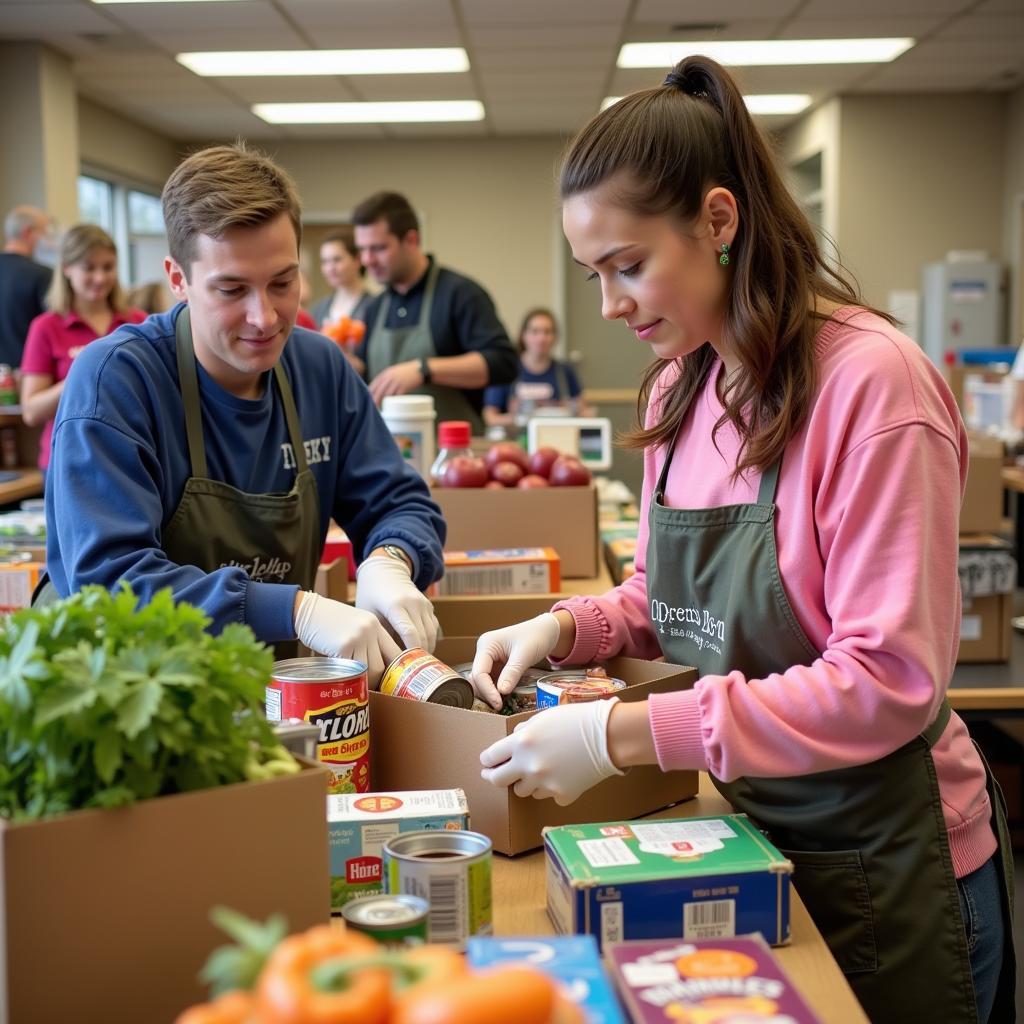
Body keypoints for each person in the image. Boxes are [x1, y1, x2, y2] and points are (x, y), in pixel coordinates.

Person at [471, 57, 1015, 1023]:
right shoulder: (680, 386)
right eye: (593, 274)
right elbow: (664, 598)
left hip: (882, 864)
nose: (609, 304)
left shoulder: (872, 388)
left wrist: (617, 734)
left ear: (718, 222)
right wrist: (562, 629)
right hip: (739, 832)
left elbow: (886, 682)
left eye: (629, 266)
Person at [42, 144, 445, 679]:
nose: (265, 316)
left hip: (267, 688)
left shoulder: (319, 368)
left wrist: (392, 559)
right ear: (178, 278)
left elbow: (399, 500)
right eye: (232, 289)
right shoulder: (116, 380)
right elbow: (115, 580)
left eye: (283, 282)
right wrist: (294, 610)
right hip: (122, 691)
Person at [351, 191, 518, 430]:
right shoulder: (375, 307)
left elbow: (503, 363)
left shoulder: (460, 294)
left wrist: (425, 369)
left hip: (456, 455)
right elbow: (371, 379)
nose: (367, 260)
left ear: (411, 240)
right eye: (362, 250)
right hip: (390, 452)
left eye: (378, 248)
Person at [21, 225, 146, 483]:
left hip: (129, 458)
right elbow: (31, 411)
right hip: (68, 461)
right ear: (67, 268)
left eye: (108, 267)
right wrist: (85, 373)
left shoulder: (137, 322)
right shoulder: (46, 327)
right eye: (89, 268)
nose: (100, 278)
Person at [482, 308, 594, 429]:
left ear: (555, 337)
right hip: (516, 442)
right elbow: (490, 417)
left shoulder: (565, 371)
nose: (541, 338)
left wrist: (581, 414)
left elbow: (583, 410)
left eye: (547, 332)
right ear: (523, 335)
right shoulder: (506, 369)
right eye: (535, 331)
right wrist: (519, 419)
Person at [0, 205, 54, 367]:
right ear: (28, 232)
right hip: (27, 376)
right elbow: (53, 329)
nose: (47, 239)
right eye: (44, 232)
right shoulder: (42, 275)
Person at [310, 226, 373, 329]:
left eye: (337, 259)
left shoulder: (373, 306)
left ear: (357, 259)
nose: (330, 268)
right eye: (325, 261)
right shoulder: (319, 309)